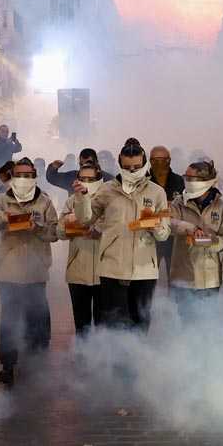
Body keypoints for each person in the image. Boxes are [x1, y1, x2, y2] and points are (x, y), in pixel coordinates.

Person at [73, 138, 171, 333]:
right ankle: (118, 355)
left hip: (144, 268)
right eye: (127, 167)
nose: (132, 171)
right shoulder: (106, 189)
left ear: (144, 163)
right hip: (112, 267)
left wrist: (159, 228)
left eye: (137, 167)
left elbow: (165, 233)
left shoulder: (157, 192)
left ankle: (137, 353)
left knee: (141, 322)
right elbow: (85, 220)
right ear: (120, 163)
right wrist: (82, 198)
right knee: (116, 324)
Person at [0, 157, 58, 387]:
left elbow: (55, 232)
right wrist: (5, 218)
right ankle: (8, 365)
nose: (23, 179)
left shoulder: (45, 202)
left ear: (34, 176)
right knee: (9, 319)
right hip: (9, 270)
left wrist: (38, 228)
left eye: (27, 175)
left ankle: (36, 361)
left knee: (37, 317)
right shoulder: (3, 200)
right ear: (12, 178)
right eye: (18, 175)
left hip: (36, 270)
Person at [168, 159, 223, 322]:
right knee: (186, 319)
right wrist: (190, 228)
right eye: (186, 177)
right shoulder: (179, 202)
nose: (187, 181)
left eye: (191, 178)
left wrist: (213, 243)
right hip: (183, 274)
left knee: (206, 321)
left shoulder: (221, 207)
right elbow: (170, 222)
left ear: (206, 181)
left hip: (209, 277)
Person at [61, 163, 105, 335]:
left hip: (105, 271)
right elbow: (58, 232)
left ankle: (103, 352)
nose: (86, 182)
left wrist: (99, 231)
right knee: (81, 322)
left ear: (99, 178)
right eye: (82, 179)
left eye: (90, 179)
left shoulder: (108, 199)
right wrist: (72, 224)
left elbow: (118, 227)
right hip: (77, 269)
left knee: (104, 322)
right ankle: (82, 351)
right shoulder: (71, 201)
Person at [146, 146, 184, 284]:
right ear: (150, 161)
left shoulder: (180, 181)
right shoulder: (144, 181)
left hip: (173, 237)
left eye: (163, 160)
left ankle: (172, 297)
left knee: (174, 276)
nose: (160, 164)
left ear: (169, 160)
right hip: (149, 236)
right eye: (155, 160)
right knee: (147, 276)